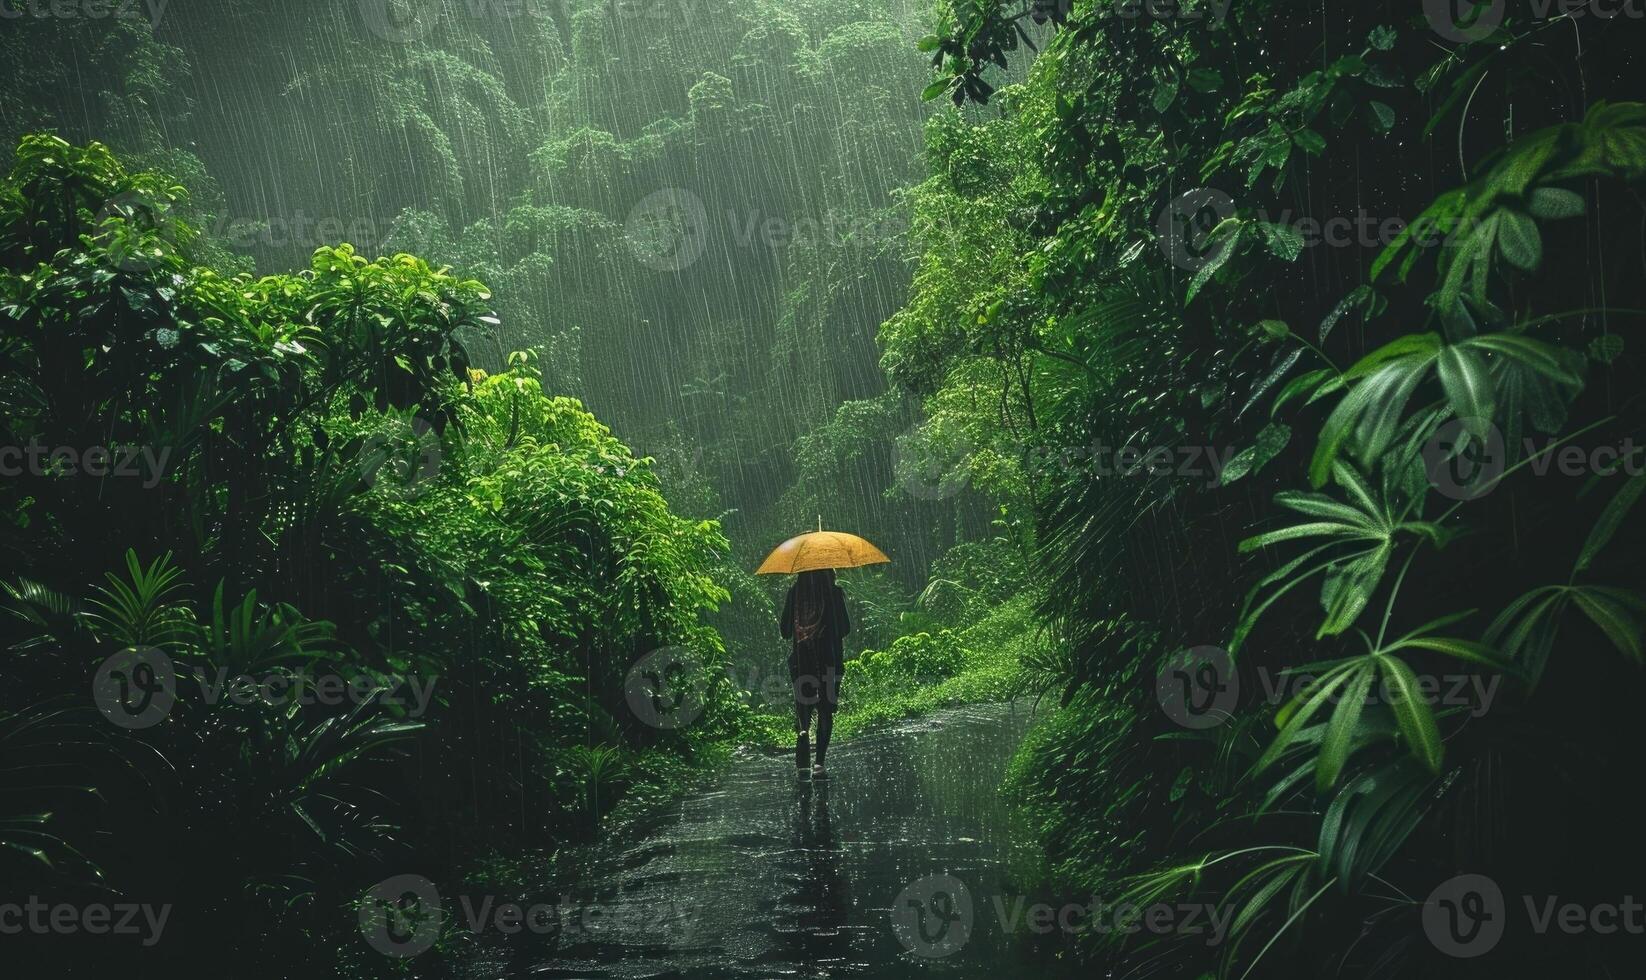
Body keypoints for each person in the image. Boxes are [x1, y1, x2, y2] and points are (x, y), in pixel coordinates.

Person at [779, 568, 850, 778]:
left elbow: (785, 631)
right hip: (829, 661)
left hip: (803, 662)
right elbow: (845, 628)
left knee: (804, 706)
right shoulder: (833, 592)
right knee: (825, 710)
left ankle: (803, 732)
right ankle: (819, 764)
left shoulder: (795, 593)